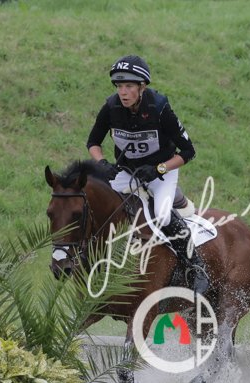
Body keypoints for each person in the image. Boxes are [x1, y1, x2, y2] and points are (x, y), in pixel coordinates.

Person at [86, 55, 209, 294]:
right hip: (127, 172)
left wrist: (158, 169)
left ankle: (195, 266)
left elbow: (188, 152)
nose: (123, 92)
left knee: (162, 215)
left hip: (161, 173)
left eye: (129, 86)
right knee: (100, 205)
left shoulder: (159, 108)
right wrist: (102, 163)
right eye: (119, 86)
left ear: (142, 87)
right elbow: (93, 142)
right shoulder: (111, 107)